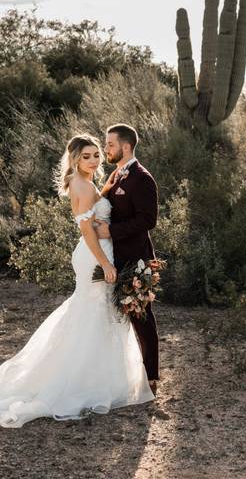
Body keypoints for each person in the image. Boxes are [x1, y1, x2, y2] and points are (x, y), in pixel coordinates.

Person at [0, 134, 154, 428]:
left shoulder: (90, 182)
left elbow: (98, 217)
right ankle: (77, 382)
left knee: (99, 313)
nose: (94, 160)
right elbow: (86, 232)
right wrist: (106, 263)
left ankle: (101, 378)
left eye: (97, 154)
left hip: (101, 253)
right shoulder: (80, 185)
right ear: (74, 159)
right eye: (87, 156)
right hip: (95, 257)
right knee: (91, 313)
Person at [96, 123, 160, 396]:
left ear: (125, 146)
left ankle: (151, 376)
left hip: (136, 259)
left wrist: (112, 231)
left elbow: (149, 220)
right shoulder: (117, 175)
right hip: (114, 258)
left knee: (141, 316)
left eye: (110, 144)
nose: (106, 148)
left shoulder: (142, 178)